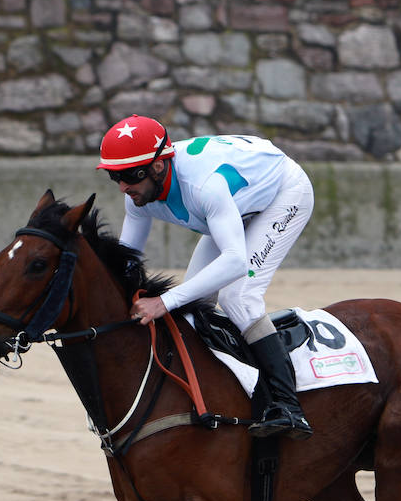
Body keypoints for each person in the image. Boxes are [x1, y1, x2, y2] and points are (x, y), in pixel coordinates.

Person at [98, 116, 315, 439]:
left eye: (129, 175)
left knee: (237, 297)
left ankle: (288, 407)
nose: (123, 187)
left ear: (158, 167)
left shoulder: (202, 187)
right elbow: (125, 263)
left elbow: (234, 262)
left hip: (283, 193)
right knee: (193, 306)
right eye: (114, 177)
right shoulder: (139, 196)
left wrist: (162, 301)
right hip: (235, 204)